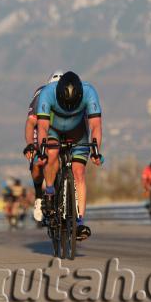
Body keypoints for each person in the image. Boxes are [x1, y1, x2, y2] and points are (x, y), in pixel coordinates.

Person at [36, 71, 103, 240]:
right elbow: (42, 127)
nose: (68, 107)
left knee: (79, 172)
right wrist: (42, 149)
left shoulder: (89, 92)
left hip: (78, 132)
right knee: (51, 153)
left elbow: (95, 125)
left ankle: (80, 222)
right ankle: (50, 191)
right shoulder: (47, 93)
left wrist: (96, 150)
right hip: (54, 130)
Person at [23, 70, 64, 222]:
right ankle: (39, 197)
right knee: (38, 163)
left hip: (60, 129)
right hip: (40, 129)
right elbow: (31, 122)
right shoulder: (41, 94)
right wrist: (30, 145)